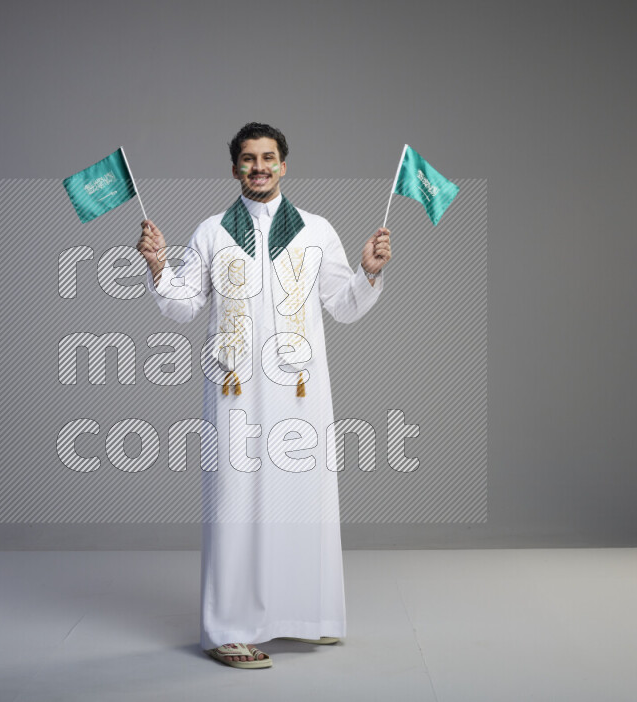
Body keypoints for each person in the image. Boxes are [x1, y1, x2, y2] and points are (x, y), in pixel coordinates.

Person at [137, 123, 391, 669]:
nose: (259, 167)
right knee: (235, 503)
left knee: (304, 501)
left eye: (268, 157)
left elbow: (344, 306)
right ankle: (227, 630)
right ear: (235, 168)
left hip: (301, 391)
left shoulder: (316, 231)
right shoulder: (212, 232)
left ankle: (306, 615)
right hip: (235, 391)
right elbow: (183, 305)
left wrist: (368, 273)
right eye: (249, 159)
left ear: (284, 165)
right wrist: (158, 265)